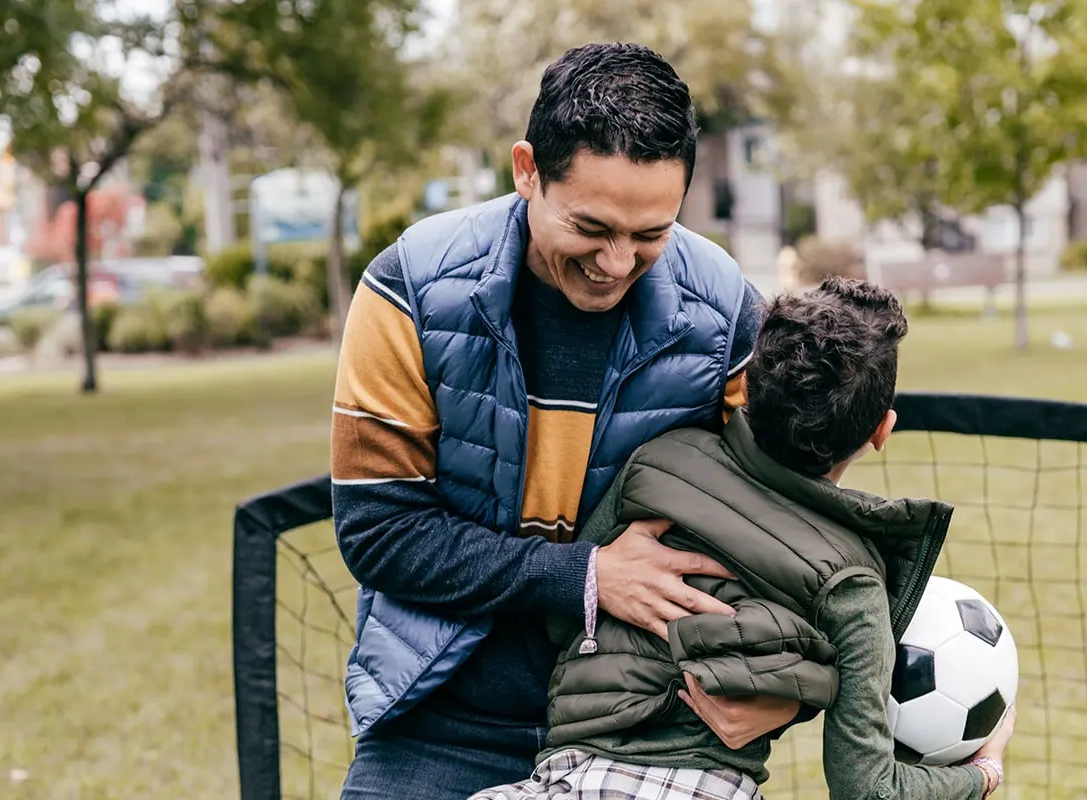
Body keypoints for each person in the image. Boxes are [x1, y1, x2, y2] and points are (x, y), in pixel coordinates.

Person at [329, 43, 799, 799]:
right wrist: (588, 576)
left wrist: (793, 689)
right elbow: (379, 529)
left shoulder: (728, 314)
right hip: (444, 722)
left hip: (648, 734)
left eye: (651, 234)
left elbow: (791, 522)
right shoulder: (408, 289)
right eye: (592, 227)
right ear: (527, 171)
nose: (617, 262)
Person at [467, 277, 1014, 800]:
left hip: (566, 775)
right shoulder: (853, 588)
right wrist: (983, 775)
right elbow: (867, 787)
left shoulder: (661, 461)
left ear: (746, 387)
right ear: (881, 431)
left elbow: (566, 618)